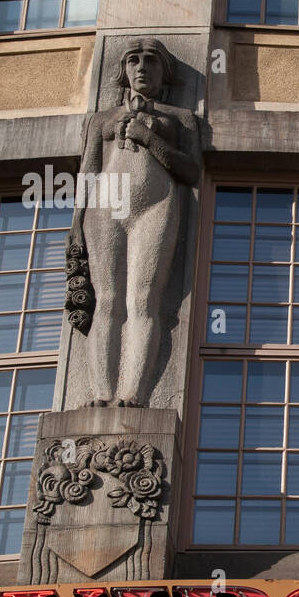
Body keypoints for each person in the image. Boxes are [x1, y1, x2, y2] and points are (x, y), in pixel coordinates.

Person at [68, 37, 201, 408]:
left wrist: (148, 137)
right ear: (124, 71)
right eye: (134, 61)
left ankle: (133, 394)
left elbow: (191, 170)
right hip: (106, 208)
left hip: (156, 206)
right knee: (108, 299)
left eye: (151, 61)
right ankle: (101, 393)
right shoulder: (101, 119)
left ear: (164, 72)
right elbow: (88, 170)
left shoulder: (180, 118)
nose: (142, 67)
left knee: (143, 299)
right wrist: (77, 222)